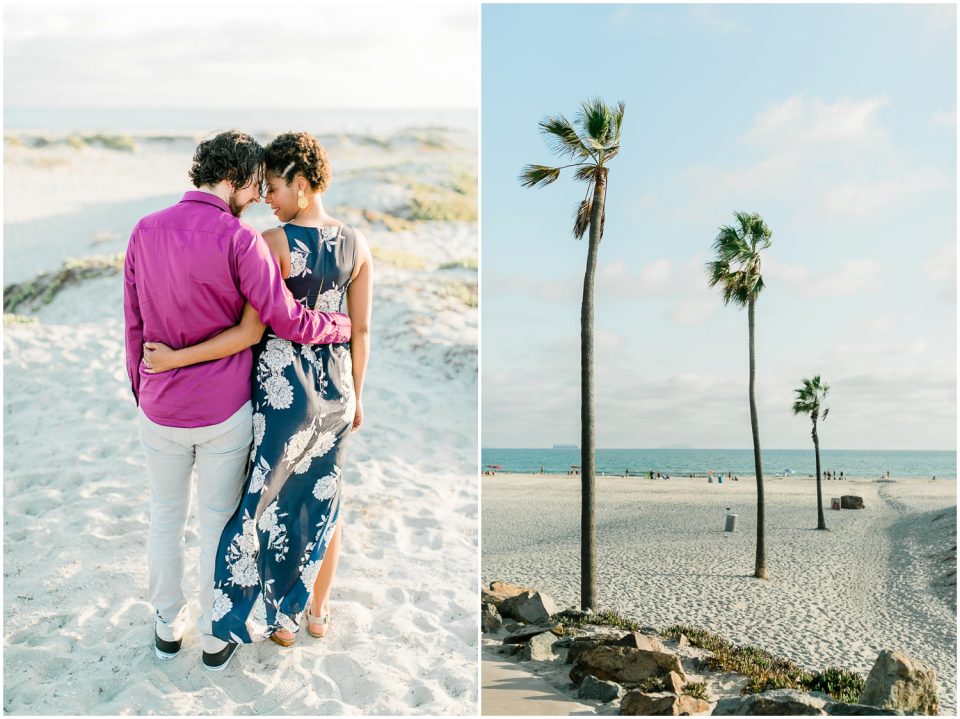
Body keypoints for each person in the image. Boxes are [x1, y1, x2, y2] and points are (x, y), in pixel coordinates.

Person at [124, 130, 351, 671]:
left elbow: (133, 322)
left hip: (158, 407)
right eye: (255, 186)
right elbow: (283, 319)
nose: (256, 197)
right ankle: (212, 632)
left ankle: (164, 623)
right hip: (223, 411)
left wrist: (143, 388)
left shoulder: (143, 230)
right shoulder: (239, 239)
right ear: (239, 179)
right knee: (218, 520)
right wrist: (335, 325)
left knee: (164, 516)